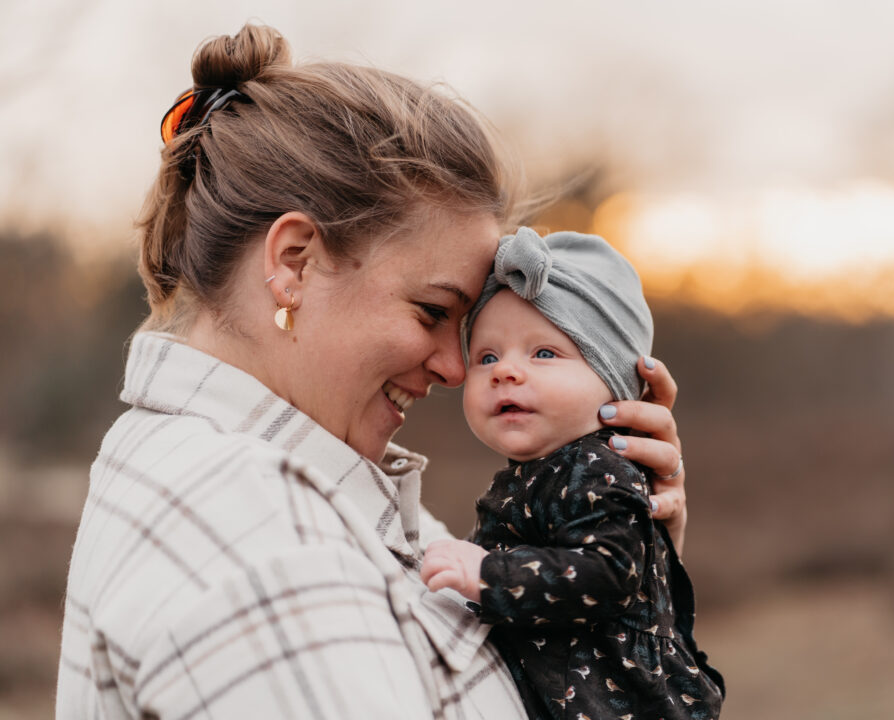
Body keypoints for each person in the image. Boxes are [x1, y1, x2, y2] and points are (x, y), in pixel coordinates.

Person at [56, 23, 693, 720]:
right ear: (294, 262)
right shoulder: (269, 551)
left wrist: (634, 573)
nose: (456, 369)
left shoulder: (303, 487)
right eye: (431, 311)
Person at [420, 227, 725, 719]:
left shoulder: (597, 467)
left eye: (544, 353)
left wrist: (486, 574)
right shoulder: (542, 471)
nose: (505, 371)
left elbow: (607, 573)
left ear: (615, 385)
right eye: (487, 356)